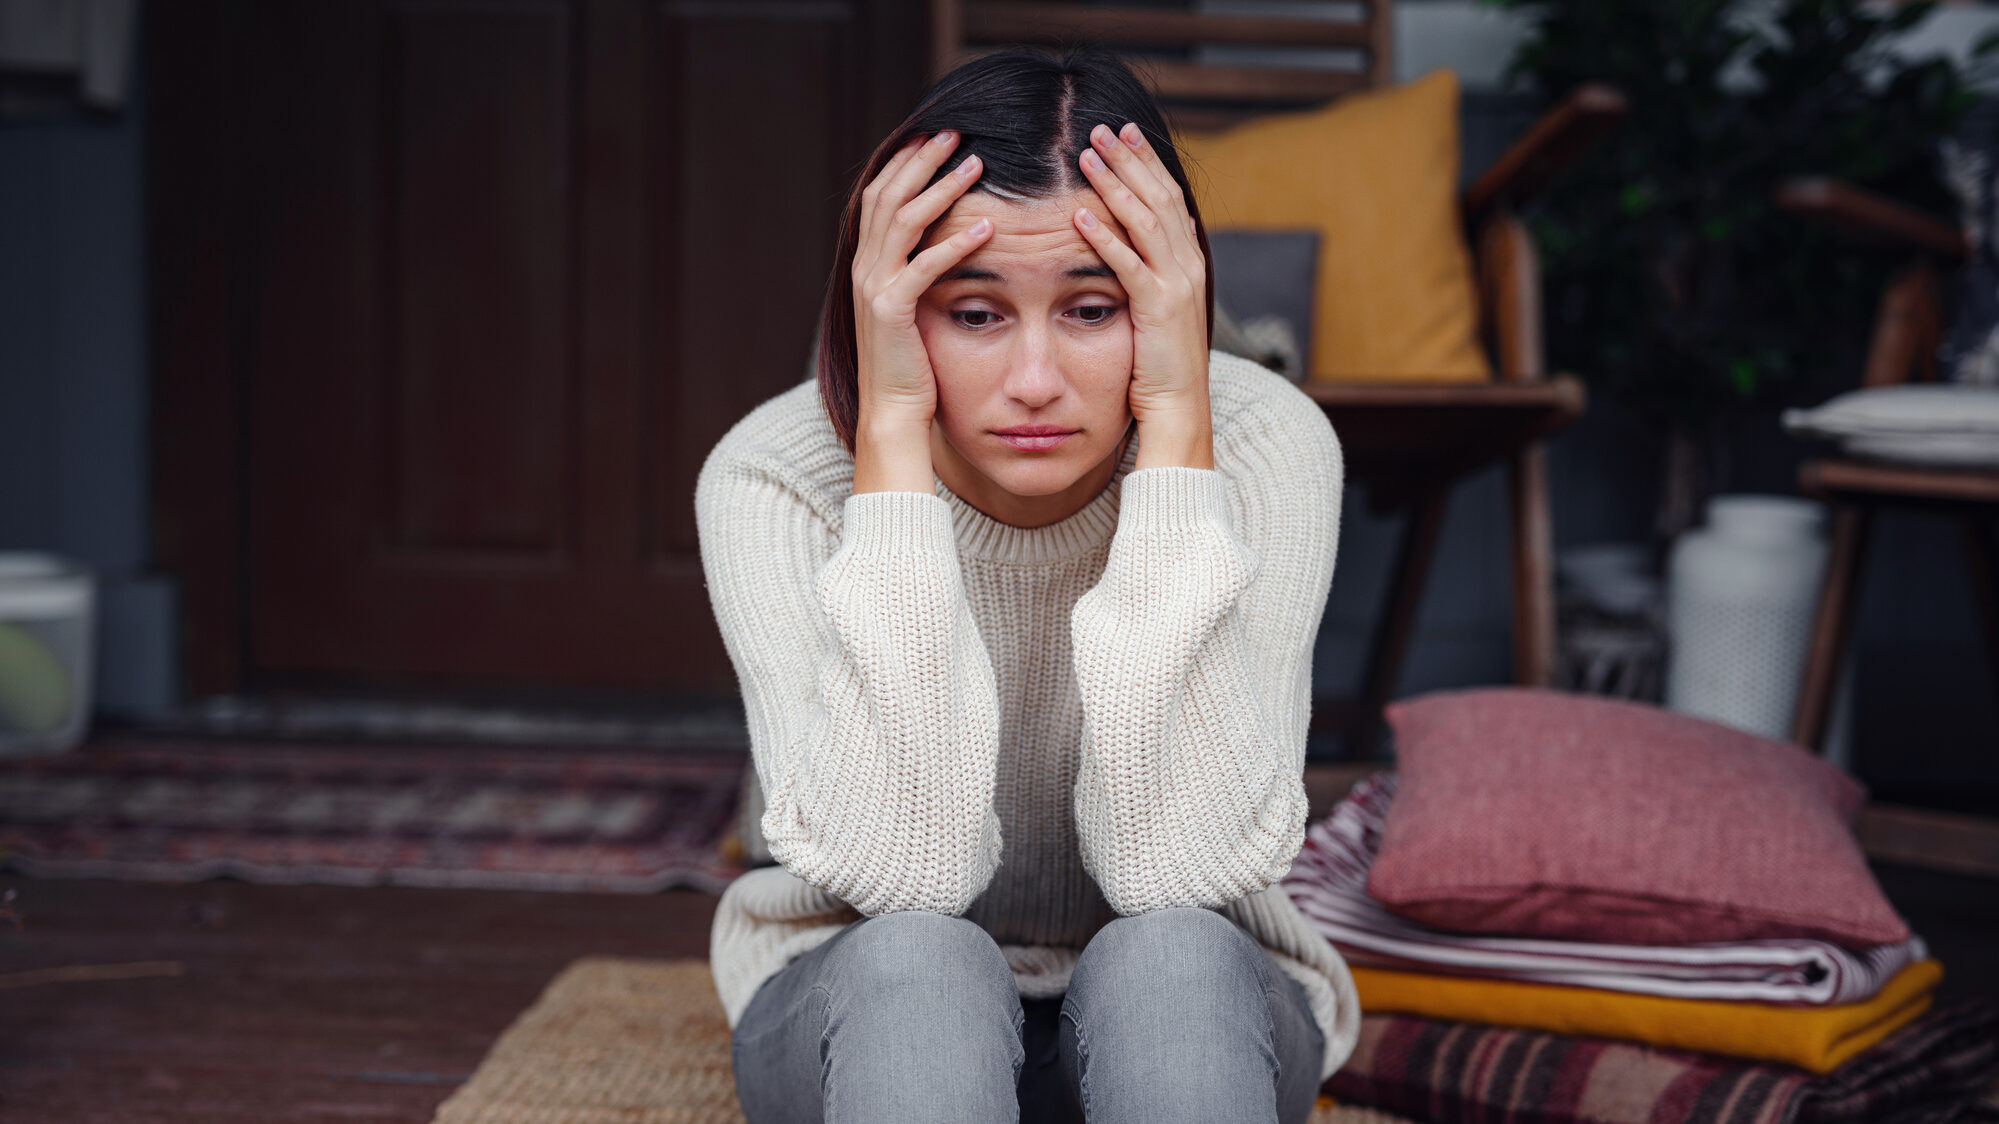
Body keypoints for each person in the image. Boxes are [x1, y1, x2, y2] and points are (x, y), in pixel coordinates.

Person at [696, 45, 1359, 1124]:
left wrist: (1179, 425)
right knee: (920, 959)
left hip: (1182, 1020)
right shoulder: (774, 477)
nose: (1036, 382)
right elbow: (905, 877)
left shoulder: (1262, 449)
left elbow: (1175, 868)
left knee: (1174, 957)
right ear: (891, 308)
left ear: (1167, 301)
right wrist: (893, 445)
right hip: (866, 1007)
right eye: (974, 313)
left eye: (1094, 309)